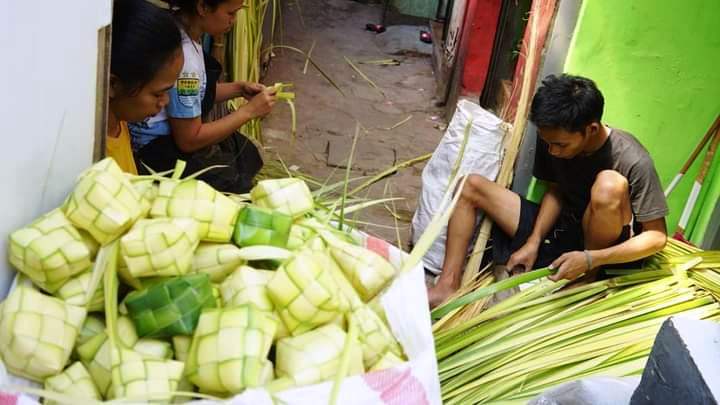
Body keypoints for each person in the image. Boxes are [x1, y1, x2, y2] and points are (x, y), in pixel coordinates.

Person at [428, 74, 669, 308]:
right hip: (562, 231)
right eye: (548, 143)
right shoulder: (553, 137)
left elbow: (656, 238)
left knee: (608, 185)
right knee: (470, 186)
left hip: (601, 250)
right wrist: (533, 240)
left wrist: (590, 259)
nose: (553, 151)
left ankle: (586, 280)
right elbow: (556, 190)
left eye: (561, 145)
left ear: (592, 129)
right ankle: (447, 285)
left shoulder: (632, 159)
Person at [129, 0, 275, 193]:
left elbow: (193, 96)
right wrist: (248, 112)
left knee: (246, 150)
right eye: (231, 13)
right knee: (237, 182)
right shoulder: (185, 59)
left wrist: (239, 89)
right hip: (156, 151)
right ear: (203, 8)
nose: (234, 20)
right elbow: (189, 140)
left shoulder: (181, 29)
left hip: (173, 136)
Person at [107, 0, 183, 174]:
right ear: (113, 85)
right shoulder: (95, 158)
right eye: (158, 94)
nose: (165, 101)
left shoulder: (120, 123)